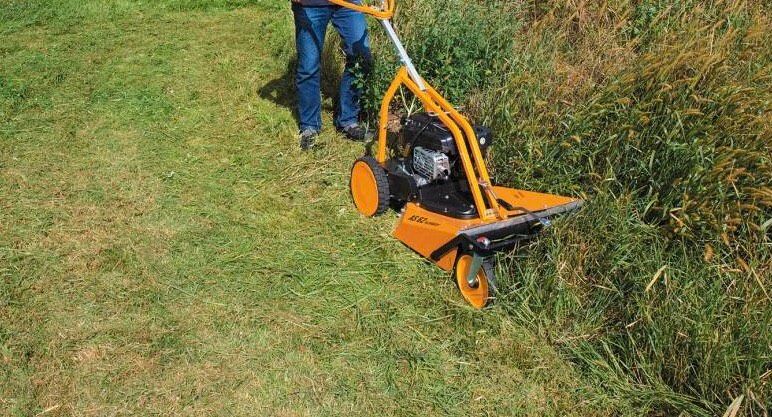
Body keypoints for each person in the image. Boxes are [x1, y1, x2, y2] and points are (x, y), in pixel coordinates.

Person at [291, 0, 374, 150]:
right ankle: (309, 126)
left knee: (361, 58)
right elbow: (264, 90)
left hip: (348, 4)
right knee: (308, 66)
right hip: (310, 6)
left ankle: (348, 120)